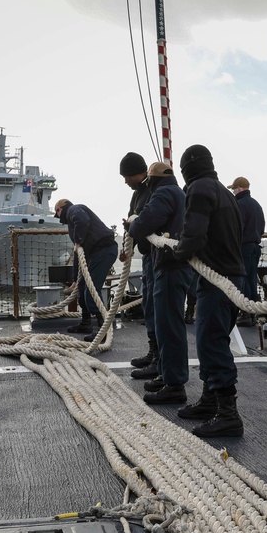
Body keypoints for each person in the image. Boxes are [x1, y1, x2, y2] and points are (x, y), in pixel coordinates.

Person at [167, 144, 246, 437]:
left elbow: (195, 234)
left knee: (211, 344)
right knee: (211, 341)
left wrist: (178, 251)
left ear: (187, 168)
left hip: (218, 281)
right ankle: (210, 401)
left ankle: (229, 415)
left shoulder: (198, 189)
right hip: (232, 277)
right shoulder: (225, 192)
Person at [125, 161, 194, 405]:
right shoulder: (179, 192)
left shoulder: (164, 192)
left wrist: (133, 223)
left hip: (170, 266)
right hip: (173, 264)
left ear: (152, 179)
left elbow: (143, 224)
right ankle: (166, 374)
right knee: (167, 323)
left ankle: (174, 384)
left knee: (168, 325)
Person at [119, 152, 158, 378]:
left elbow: (145, 221)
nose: (125, 181)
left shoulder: (154, 191)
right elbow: (132, 221)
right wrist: (127, 248)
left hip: (158, 256)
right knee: (150, 305)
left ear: (138, 173)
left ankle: (158, 357)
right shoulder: (138, 195)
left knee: (156, 306)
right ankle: (153, 352)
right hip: (148, 256)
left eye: (127, 176)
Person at [54, 198, 117, 339]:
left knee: (91, 290)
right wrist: (75, 279)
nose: (58, 218)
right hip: (95, 254)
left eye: (57, 214)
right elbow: (78, 253)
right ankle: (85, 322)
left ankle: (103, 331)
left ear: (59, 209)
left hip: (104, 250)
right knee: (82, 289)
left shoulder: (73, 209)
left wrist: (77, 240)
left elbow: (82, 221)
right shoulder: (73, 225)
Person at [228, 176, 265, 325]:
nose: (233, 192)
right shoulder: (257, 205)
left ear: (239, 189)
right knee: (251, 280)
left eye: (233, 189)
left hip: (243, 247)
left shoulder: (239, 205)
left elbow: (238, 228)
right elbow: (262, 228)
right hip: (255, 246)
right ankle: (253, 313)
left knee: (242, 280)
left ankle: (245, 313)